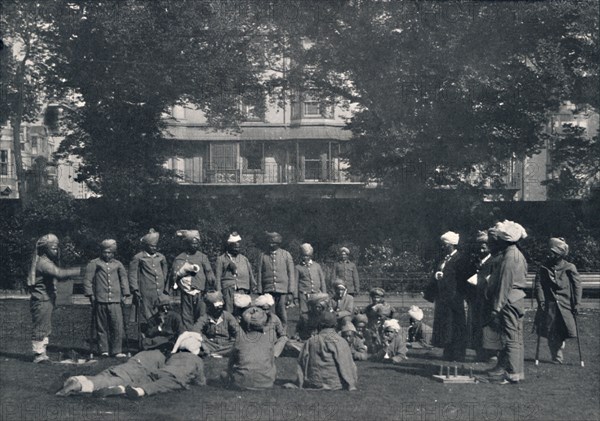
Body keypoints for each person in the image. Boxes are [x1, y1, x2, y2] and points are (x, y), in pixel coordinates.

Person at [56, 331, 206, 398]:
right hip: (136, 370)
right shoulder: (167, 356)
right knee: (111, 380)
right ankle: (78, 385)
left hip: (131, 363)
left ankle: (78, 378)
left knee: (106, 375)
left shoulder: (155, 349)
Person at [485, 220, 528, 384]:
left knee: (511, 338)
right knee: (514, 337)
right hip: (515, 299)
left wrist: (496, 307)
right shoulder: (516, 254)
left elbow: (505, 284)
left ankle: (512, 373)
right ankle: (513, 371)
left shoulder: (510, 257)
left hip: (509, 301)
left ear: (505, 241)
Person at [28, 234, 81, 363]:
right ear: (45, 249)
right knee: (41, 326)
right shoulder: (43, 263)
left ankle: (42, 353)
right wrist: (79, 271)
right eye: (53, 248)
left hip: (46, 299)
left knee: (45, 326)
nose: (56, 251)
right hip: (42, 299)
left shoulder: (45, 261)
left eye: (57, 249)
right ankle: (38, 354)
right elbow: (60, 274)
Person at [534, 237, 582, 365]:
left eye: (553, 252)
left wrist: (577, 303)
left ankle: (558, 351)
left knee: (563, 330)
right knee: (551, 330)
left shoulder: (569, 267)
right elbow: (538, 284)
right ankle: (557, 356)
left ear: (560, 254)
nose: (549, 255)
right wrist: (541, 300)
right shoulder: (544, 267)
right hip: (549, 305)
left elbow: (577, 286)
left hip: (566, 304)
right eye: (550, 252)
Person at [84, 239, 130, 357]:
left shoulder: (118, 264)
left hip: (115, 300)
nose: (107, 255)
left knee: (117, 326)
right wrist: (90, 295)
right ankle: (103, 350)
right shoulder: (95, 263)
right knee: (102, 326)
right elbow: (88, 280)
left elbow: (123, 279)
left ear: (114, 253)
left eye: (110, 253)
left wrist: (125, 294)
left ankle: (117, 350)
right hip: (100, 299)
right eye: (105, 252)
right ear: (101, 252)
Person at [428, 231, 468, 362]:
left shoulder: (460, 259)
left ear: (451, 245)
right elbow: (439, 272)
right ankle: (448, 350)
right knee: (447, 325)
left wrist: (444, 278)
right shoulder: (444, 258)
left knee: (456, 324)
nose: (442, 247)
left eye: (445, 244)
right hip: (444, 298)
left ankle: (458, 353)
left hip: (454, 297)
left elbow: (461, 279)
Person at [295, 312, 358, 391]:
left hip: (313, 383)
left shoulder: (311, 341)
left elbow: (301, 363)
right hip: (335, 384)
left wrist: (300, 383)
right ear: (335, 325)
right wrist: (351, 383)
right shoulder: (340, 341)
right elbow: (346, 365)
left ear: (319, 325)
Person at [170, 229, 215, 329]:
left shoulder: (202, 257)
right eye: (192, 243)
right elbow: (174, 275)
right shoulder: (179, 258)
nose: (195, 245)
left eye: (197, 243)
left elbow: (209, 273)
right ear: (187, 243)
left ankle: (200, 337)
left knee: (201, 315)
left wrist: (209, 287)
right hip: (186, 293)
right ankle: (189, 338)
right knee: (186, 317)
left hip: (200, 292)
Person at [223, 307, 276, 390]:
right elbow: (271, 363)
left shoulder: (240, 340)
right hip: (266, 383)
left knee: (224, 373)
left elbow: (231, 363)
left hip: (241, 383)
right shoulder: (268, 340)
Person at [257, 232, 295, 331]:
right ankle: (269, 331)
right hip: (268, 289)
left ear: (279, 243)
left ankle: (283, 331)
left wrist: (291, 291)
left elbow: (291, 274)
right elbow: (260, 273)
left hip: (282, 289)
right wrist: (260, 289)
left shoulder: (286, 255)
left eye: (274, 243)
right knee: (267, 311)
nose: (271, 245)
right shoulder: (263, 256)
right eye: (269, 242)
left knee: (281, 311)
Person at [129, 229, 168, 321]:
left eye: (155, 246)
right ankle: (148, 330)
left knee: (161, 310)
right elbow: (132, 274)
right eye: (151, 246)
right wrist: (135, 288)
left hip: (159, 290)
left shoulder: (161, 257)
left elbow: (165, 271)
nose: (154, 248)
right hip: (146, 289)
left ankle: (160, 330)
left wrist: (165, 284)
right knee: (147, 312)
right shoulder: (139, 257)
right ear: (146, 246)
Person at [215, 232, 256, 313]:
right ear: (229, 246)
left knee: (242, 311)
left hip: (242, 290)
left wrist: (252, 287)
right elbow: (218, 277)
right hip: (228, 290)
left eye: (238, 248)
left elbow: (250, 274)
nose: (237, 250)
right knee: (229, 311)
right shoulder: (221, 259)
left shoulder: (244, 259)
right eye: (234, 248)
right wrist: (219, 292)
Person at [192, 291, 239, 357]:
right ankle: (219, 353)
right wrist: (204, 345)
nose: (219, 309)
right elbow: (196, 330)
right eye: (216, 306)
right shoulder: (205, 317)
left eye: (221, 306)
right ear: (210, 307)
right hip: (211, 344)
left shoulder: (227, 316)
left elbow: (238, 331)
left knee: (238, 344)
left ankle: (214, 353)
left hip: (226, 344)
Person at [294, 243, 327, 319]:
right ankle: (304, 327)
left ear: (310, 256)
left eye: (307, 256)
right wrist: (295, 296)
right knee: (304, 313)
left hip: (316, 293)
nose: (305, 257)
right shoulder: (298, 267)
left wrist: (324, 293)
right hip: (304, 294)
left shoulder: (317, 266)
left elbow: (322, 280)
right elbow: (295, 283)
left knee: (317, 312)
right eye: (304, 255)